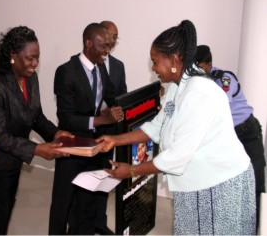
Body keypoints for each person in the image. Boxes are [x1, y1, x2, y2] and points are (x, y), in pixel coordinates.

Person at [98, 20, 256, 235]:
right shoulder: (177, 87)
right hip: (197, 182)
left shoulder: (200, 93)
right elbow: (155, 127)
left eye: (155, 62)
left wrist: (132, 171)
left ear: (173, 60)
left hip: (219, 185)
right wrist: (115, 140)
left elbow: (176, 157)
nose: (153, 69)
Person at [0, 26, 73, 235]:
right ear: (12, 55)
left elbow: (35, 116)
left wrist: (55, 133)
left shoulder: (30, 78)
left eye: (37, 58)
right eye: (30, 58)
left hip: (13, 163)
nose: (35, 64)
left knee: (3, 217)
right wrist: (37, 149)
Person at [49, 23, 124, 235]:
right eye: (102, 46)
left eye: (109, 46)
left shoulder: (101, 68)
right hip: (71, 147)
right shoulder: (66, 72)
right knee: (62, 203)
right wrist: (100, 120)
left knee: (89, 199)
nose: (107, 51)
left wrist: (140, 103)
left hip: (94, 146)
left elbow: (113, 97)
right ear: (88, 42)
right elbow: (66, 118)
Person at [196, 44, 266, 229]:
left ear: (209, 63)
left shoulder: (224, 78)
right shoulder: (200, 82)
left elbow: (221, 107)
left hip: (247, 134)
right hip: (229, 136)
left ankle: (255, 229)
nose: (196, 71)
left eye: (200, 66)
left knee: (256, 185)